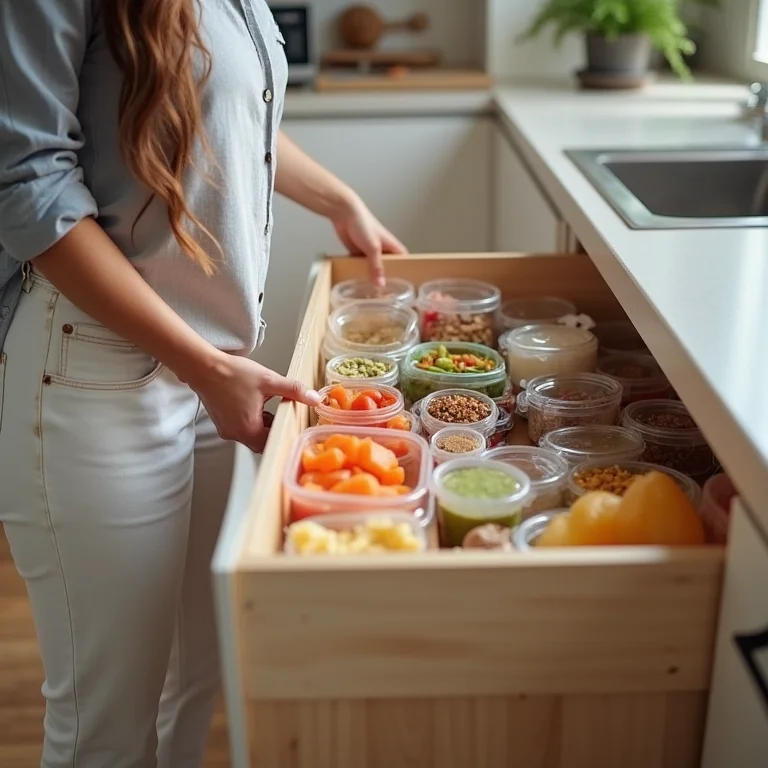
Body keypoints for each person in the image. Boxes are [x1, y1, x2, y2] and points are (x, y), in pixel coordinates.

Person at [0, 1, 406, 766]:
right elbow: (27, 187)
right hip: (97, 375)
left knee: (192, 683)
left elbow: (229, 111)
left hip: (213, 367)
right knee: (106, 731)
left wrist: (337, 198)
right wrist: (204, 366)